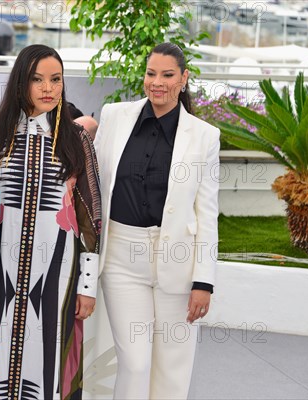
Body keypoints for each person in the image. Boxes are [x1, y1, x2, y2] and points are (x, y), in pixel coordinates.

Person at [0, 44, 101, 400]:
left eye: (56, 79)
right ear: (20, 82)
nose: (48, 88)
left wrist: (87, 286)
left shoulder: (75, 140)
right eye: (37, 79)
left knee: (49, 361)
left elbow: (91, 217)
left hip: (56, 275)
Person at [94, 42, 220, 399]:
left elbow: (207, 213)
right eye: (151, 74)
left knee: (172, 369)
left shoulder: (205, 136)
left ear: (184, 78)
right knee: (133, 363)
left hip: (178, 263)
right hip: (120, 257)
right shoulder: (114, 116)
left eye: (167, 75)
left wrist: (204, 282)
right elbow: (94, 179)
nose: (157, 82)